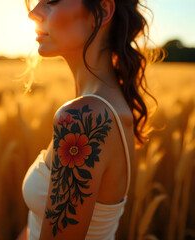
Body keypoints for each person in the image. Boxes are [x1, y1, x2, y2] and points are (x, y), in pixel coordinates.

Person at [18, 0, 158, 239]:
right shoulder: (103, 107)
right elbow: (37, 224)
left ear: (102, 11)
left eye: (51, 1)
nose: (33, 13)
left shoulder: (85, 118)